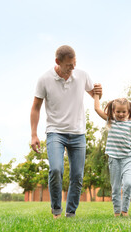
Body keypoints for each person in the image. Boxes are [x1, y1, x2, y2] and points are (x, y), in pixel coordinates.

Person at [30, 45, 102, 219]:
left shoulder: (82, 75)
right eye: (69, 65)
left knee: (77, 175)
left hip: (78, 133)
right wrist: (34, 134)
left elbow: (95, 95)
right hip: (55, 132)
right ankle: (56, 211)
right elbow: (36, 107)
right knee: (55, 169)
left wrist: (99, 93)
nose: (73, 67)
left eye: (74, 63)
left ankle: (70, 213)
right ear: (57, 62)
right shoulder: (44, 79)